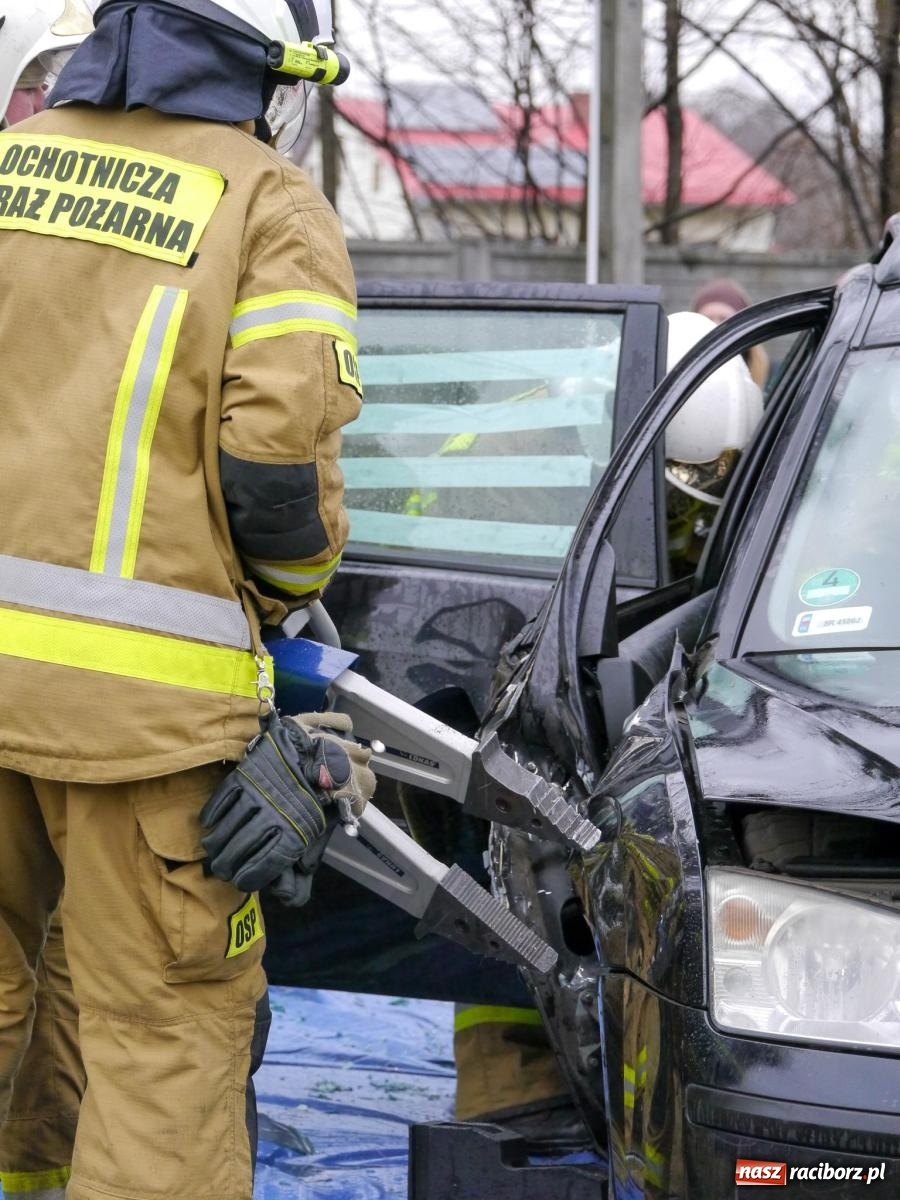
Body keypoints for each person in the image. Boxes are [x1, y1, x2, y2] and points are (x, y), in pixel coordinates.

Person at [0, 2, 363, 1197]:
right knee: (161, 1046)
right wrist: (278, 605)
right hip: (148, 736)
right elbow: (275, 473)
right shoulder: (267, 202)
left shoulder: (8, 168)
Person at [691, 277, 770, 390]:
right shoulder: (675, 368)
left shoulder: (773, 380)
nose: (715, 326)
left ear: (742, 326)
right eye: (707, 318)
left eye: (724, 319)